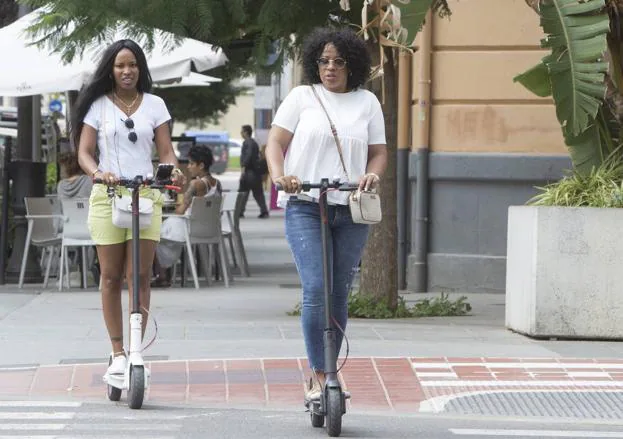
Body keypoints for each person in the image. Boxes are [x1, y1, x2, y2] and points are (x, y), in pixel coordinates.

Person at [265, 27, 388, 403]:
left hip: (350, 207)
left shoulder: (367, 102)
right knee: (316, 289)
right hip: (305, 204)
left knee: (339, 293)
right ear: (314, 62)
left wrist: (372, 174)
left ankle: (332, 372)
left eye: (337, 61)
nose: (330, 68)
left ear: (352, 64)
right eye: (323, 61)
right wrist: (279, 177)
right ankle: (319, 376)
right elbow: (275, 142)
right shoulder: (302, 97)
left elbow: (379, 152)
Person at [73, 39, 184, 380]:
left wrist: (173, 168)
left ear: (141, 69)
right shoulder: (97, 107)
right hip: (107, 196)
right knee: (110, 276)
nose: (126, 71)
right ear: (111, 69)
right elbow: (85, 153)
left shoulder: (155, 105)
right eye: (120, 65)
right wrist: (97, 173)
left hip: (145, 195)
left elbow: (166, 151)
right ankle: (117, 351)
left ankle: (137, 347)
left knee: (139, 276)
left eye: (132, 65)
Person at [151, 145, 222, 287]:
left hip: (189, 227)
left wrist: (177, 205)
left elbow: (180, 211)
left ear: (201, 165)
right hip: (208, 228)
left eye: (191, 163)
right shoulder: (216, 183)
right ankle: (164, 274)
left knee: (151, 235)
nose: (188, 167)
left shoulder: (195, 183)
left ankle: (162, 275)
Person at [239, 124, 269, 218]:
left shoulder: (248, 143)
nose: (241, 133)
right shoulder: (253, 143)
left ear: (246, 132)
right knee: (257, 193)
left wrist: (243, 167)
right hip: (254, 173)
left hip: (249, 172)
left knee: (243, 192)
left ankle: (240, 211)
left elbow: (248, 156)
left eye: (242, 131)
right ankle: (264, 211)